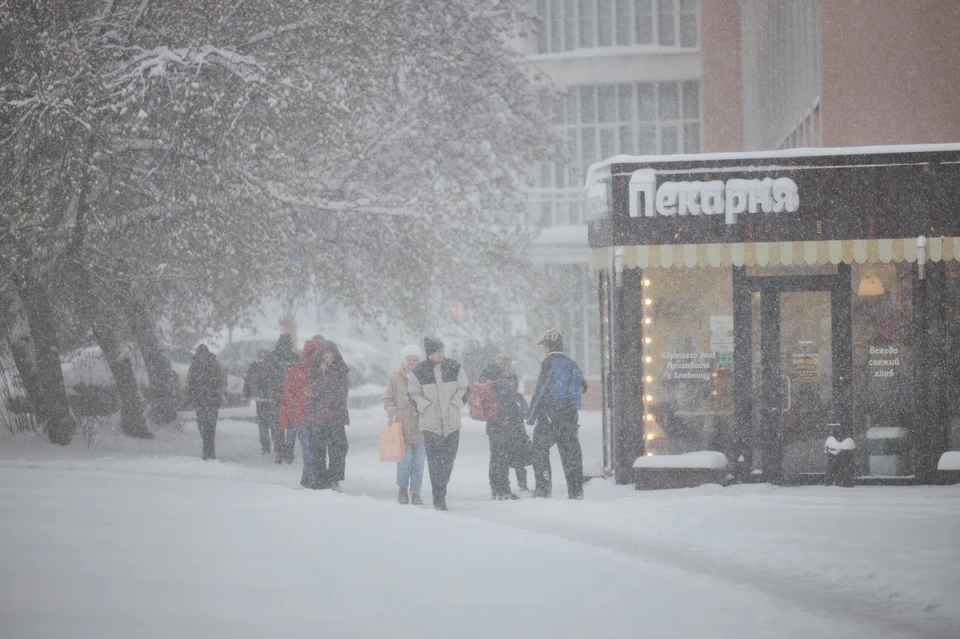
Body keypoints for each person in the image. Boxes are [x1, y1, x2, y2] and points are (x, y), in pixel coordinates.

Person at [408, 336, 469, 511]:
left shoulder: (454, 367)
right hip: (430, 425)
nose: (442, 353)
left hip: (452, 423)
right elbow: (413, 394)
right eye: (438, 351)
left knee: (448, 461)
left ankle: (441, 487)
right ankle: (439, 496)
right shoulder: (419, 371)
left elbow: (464, 388)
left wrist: (455, 405)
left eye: (442, 350)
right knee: (435, 463)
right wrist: (426, 407)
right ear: (430, 353)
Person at [526, 329, 587, 500]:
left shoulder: (548, 363)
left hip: (550, 417)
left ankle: (543, 489)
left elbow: (541, 390)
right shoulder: (571, 363)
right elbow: (583, 386)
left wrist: (532, 416)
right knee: (571, 454)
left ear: (547, 346)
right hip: (569, 418)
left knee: (539, 450)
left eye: (543, 346)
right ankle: (576, 492)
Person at [477, 354, 531, 500]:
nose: (508, 368)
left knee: (498, 457)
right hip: (501, 423)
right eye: (506, 365)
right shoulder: (498, 379)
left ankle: (497, 489)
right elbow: (506, 402)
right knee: (500, 457)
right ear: (500, 365)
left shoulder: (491, 378)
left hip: (497, 424)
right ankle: (502, 491)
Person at [302, 340, 350, 490]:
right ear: (321, 357)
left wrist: (329, 379)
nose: (328, 360)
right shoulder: (314, 372)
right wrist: (322, 376)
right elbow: (312, 392)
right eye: (325, 357)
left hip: (336, 417)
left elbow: (342, 392)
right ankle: (320, 480)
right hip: (317, 418)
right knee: (317, 449)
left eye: (331, 356)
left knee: (339, 448)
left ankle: (334, 479)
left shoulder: (341, 372)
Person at [383, 345, 426, 505]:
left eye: (416, 360)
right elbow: (387, 398)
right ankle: (402, 489)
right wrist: (392, 412)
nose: (413, 362)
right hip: (401, 426)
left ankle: (416, 492)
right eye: (410, 359)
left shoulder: (424, 376)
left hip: (421, 426)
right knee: (404, 461)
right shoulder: (396, 376)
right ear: (404, 360)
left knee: (419, 463)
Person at [278, 339, 322, 486]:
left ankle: (309, 479)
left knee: (315, 451)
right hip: (301, 418)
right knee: (308, 450)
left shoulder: (321, 371)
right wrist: (284, 418)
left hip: (317, 418)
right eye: (312, 354)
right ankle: (310, 480)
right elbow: (287, 395)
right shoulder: (296, 370)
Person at [185, 344, 228, 460]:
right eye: (200, 355)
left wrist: (218, 392)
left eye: (204, 355)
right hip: (199, 400)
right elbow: (188, 382)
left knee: (210, 427)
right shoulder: (194, 366)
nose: (202, 357)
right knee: (202, 426)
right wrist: (188, 396)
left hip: (212, 400)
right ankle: (207, 450)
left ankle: (209, 453)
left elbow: (224, 380)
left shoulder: (216, 365)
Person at [264, 334, 300, 463]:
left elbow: (267, 375)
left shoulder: (274, 357)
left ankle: (281, 451)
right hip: (286, 396)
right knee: (289, 425)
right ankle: (287, 451)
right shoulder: (295, 358)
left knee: (279, 425)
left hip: (280, 396)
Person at [243, 349, 275, 455]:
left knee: (264, 424)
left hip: (262, 398)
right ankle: (272, 445)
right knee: (270, 423)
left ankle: (267, 447)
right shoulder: (272, 364)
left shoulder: (255, 365)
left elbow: (249, 379)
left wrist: (247, 392)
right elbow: (249, 379)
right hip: (268, 398)